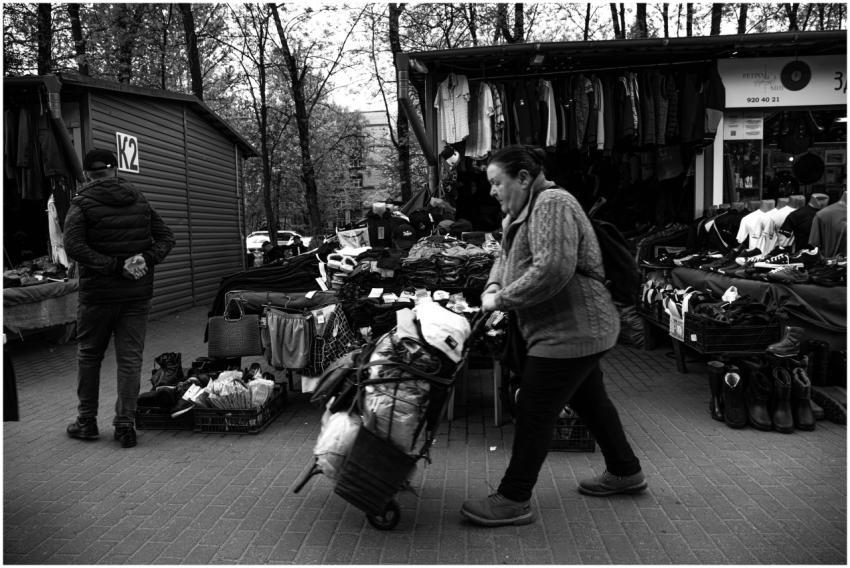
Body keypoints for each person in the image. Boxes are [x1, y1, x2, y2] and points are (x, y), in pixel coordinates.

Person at [460, 145, 646, 527]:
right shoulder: (521, 211)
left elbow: (553, 269)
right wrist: (494, 283)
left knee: (534, 408)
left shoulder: (553, 204)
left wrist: (502, 300)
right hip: (566, 329)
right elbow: (504, 257)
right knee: (592, 401)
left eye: (497, 182)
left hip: (572, 329)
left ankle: (513, 498)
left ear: (524, 177)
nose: (492, 191)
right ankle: (626, 471)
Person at [63, 148, 175, 448]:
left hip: (97, 296)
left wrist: (112, 265)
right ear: (115, 170)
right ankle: (125, 425)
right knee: (130, 360)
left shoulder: (82, 203)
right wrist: (143, 259)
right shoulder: (138, 198)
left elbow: (72, 246)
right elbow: (167, 238)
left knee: (89, 356)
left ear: (88, 174)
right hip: (136, 296)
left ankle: (86, 422)